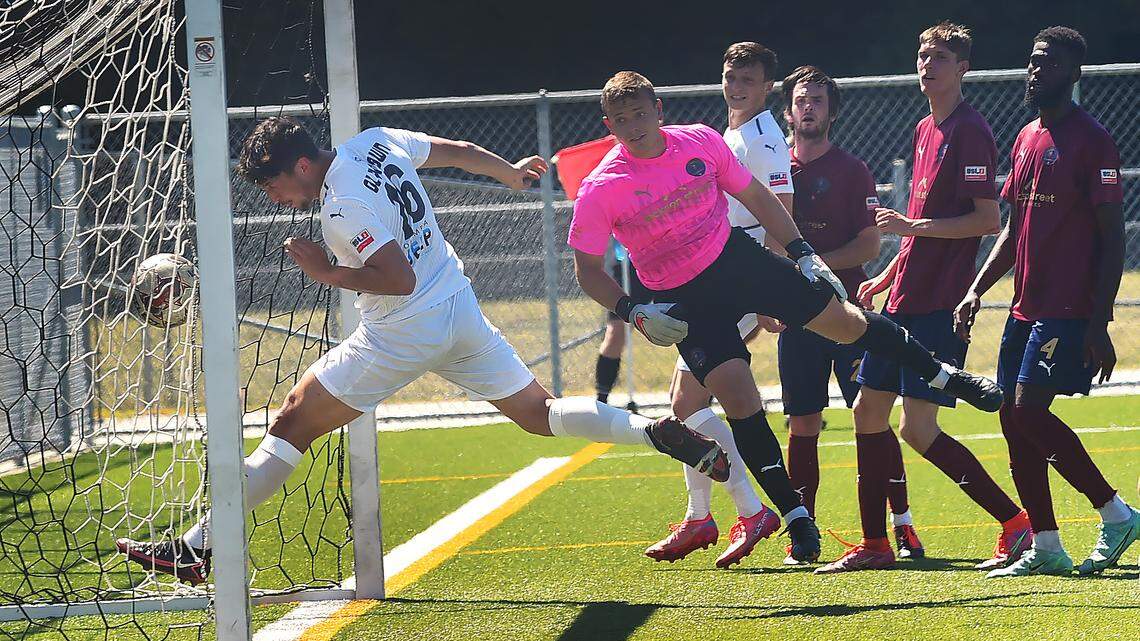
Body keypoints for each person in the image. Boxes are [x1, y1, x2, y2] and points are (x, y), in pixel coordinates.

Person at [115, 117, 732, 585]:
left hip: (402, 328)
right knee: (540, 415)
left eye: (274, 185)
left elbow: (395, 277)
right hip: (458, 307)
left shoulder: (339, 206)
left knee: (292, 422)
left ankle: (200, 545)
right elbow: (456, 153)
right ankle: (655, 433)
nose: (274, 198)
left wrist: (325, 273)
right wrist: (510, 174)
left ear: (303, 166)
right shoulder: (374, 141)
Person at [570, 70, 1004, 565]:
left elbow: (757, 197)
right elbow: (586, 269)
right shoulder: (602, 186)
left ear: (659, 110)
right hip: (685, 298)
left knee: (847, 323)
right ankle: (794, 515)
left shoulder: (702, 141)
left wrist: (801, 252)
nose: (633, 126)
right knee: (737, 398)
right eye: (621, 119)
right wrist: (634, 311)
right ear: (608, 124)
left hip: (740, 263)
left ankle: (947, 377)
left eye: (640, 114)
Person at [817, 22, 1032, 575]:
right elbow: (918, 224)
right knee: (868, 413)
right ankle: (876, 544)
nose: (926, 64)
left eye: (938, 56)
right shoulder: (922, 128)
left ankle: (1015, 523)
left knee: (918, 428)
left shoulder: (971, 131)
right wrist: (889, 272)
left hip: (939, 305)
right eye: (921, 54)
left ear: (963, 67)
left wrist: (909, 226)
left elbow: (985, 220)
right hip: (904, 299)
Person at [958, 26, 1140, 578]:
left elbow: (1114, 238)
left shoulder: (1093, 140)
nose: (1037, 71)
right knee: (1013, 420)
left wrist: (1100, 321)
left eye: (1050, 64)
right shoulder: (1026, 137)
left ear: (1074, 74)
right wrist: (976, 289)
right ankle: (1047, 545)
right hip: (1024, 308)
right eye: (1033, 61)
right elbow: (1014, 230)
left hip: (1068, 308)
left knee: (1030, 410)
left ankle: (1115, 513)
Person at [647, 41, 792, 569]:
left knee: (686, 407)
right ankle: (712, 515)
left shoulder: (765, 138)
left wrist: (773, 287)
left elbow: (781, 210)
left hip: (738, 281)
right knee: (688, 405)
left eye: (749, 80)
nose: (737, 86)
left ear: (768, 88)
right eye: (731, 75)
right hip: (716, 279)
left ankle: (734, 513)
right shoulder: (732, 131)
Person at [775, 66, 907, 564]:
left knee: (871, 420)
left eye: (818, 101)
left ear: (832, 112)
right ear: (787, 110)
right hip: (795, 320)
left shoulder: (852, 170)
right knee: (802, 422)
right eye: (801, 99)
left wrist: (812, 266)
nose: (808, 107)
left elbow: (870, 244)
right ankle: (801, 537)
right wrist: (771, 298)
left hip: (847, 313)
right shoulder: (771, 169)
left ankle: (903, 524)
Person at [595, 239, 638, 409]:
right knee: (616, 333)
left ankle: (699, 399)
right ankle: (602, 401)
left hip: (667, 261)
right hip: (627, 269)